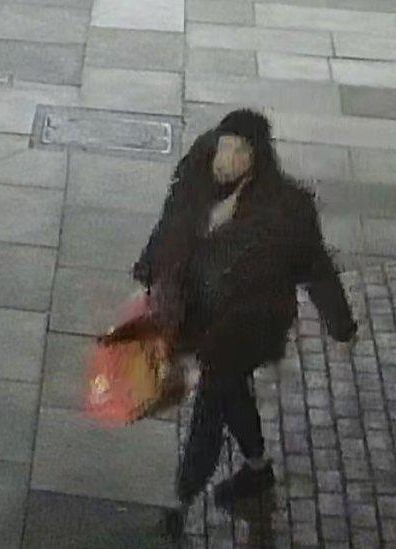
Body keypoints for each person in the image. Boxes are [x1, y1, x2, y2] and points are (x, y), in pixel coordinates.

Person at [132, 109, 357, 533]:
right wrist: (147, 274)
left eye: (240, 150)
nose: (227, 158)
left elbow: (316, 267)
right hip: (199, 313)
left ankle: (181, 501)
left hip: (249, 323)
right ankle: (257, 467)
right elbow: (170, 229)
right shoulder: (196, 181)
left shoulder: (285, 208)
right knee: (231, 392)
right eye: (225, 145)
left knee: (212, 403)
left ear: (257, 157)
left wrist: (341, 327)